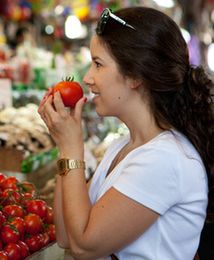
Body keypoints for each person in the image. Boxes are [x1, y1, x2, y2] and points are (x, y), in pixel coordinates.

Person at [38, 6, 214, 260]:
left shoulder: (166, 159)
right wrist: (64, 144)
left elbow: (83, 246)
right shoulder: (122, 147)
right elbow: (65, 235)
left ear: (134, 76)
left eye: (98, 64)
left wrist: (71, 147)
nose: (87, 78)